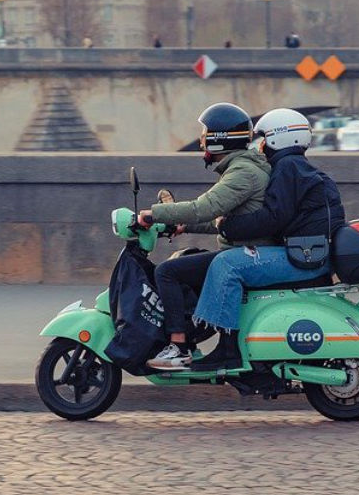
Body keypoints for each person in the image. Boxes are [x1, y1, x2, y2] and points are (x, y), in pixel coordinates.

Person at [189, 108, 346, 371]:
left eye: (262, 139)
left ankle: (227, 350)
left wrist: (229, 228)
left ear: (277, 138)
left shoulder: (287, 167)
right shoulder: (297, 167)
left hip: (304, 256)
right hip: (309, 252)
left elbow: (273, 217)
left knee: (228, 264)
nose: (258, 146)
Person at [138, 103, 272, 371]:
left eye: (205, 134)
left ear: (219, 140)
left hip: (245, 254)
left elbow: (204, 208)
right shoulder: (243, 167)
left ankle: (178, 347)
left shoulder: (242, 173)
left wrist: (153, 214)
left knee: (168, 272)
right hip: (243, 249)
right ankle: (191, 337)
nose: (202, 141)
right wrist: (183, 227)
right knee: (187, 259)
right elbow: (223, 221)